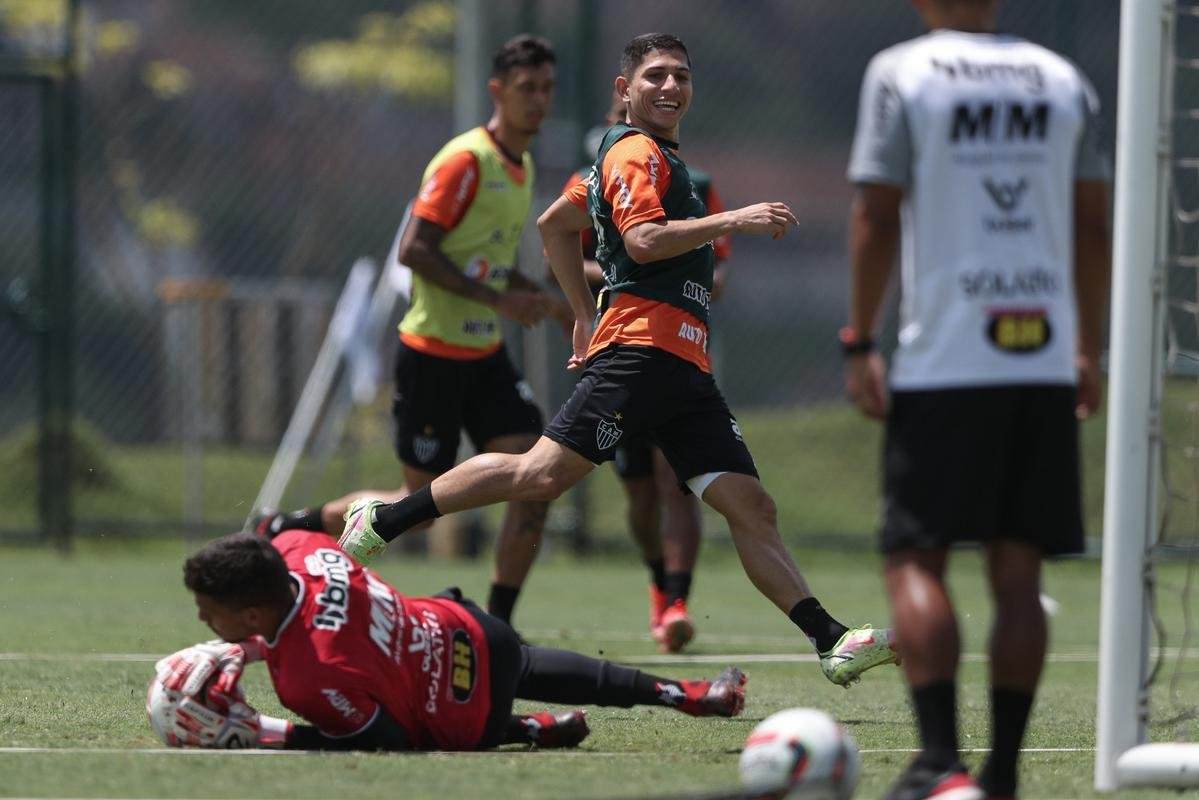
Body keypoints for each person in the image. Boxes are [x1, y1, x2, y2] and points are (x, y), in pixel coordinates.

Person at [338, 32, 899, 688]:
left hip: (680, 367)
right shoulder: (635, 152)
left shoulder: (642, 158)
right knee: (540, 475)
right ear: (623, 91)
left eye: (680, 76)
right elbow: (643, 239)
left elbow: (553, 226)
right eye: (655, 75)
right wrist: (732, 219)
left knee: (750, 505)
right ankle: (385, 518)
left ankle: (830, 640)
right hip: (640, 354)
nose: (670, 87)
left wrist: (581, 311)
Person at [843, 1, 1110, 797]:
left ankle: (935, 761)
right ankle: (1001, 775)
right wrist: (1085, 346)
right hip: (1040, 362)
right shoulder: (1062, 79)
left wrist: (860, 338)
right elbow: (1092, 225)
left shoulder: (901, 71)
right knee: (1017, 574)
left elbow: (875, 214)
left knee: (913, 559)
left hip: (945, 360)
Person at [255, 34, 571, 628]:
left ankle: (498, 625)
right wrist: (500, 299)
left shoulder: (521, 164)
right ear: (498, 91)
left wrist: (542, 298)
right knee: (419, 510)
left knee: (537, 479)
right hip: (432, 356)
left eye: (547, 88)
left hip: (487, 358)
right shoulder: (464, 159)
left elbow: (488, 256)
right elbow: (416, 251)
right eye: (527, 88)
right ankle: (288, 525)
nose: (540, 100)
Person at [151, 529, 748, 752]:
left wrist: (265, 733)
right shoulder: (303, 549)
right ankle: (690, 693)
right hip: (477, 631)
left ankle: (527, 728)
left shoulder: (306, 681)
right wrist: (247, 647)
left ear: (253, 610)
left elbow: (386, 741)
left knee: (419, 720)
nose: (205, 623)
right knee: (522, 661)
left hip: (472, 718)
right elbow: (313, 617)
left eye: (210, 614)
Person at [558, 90, 735, 653]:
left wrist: (655, 252)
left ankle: (678, 600)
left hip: (676, 349)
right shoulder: (594, 179)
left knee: (678, 484)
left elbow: (720, 272)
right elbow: (557, 242)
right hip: (620, 349)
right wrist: (619, 266)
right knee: (635, 494)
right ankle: (660, 585)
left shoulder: (694, 183)